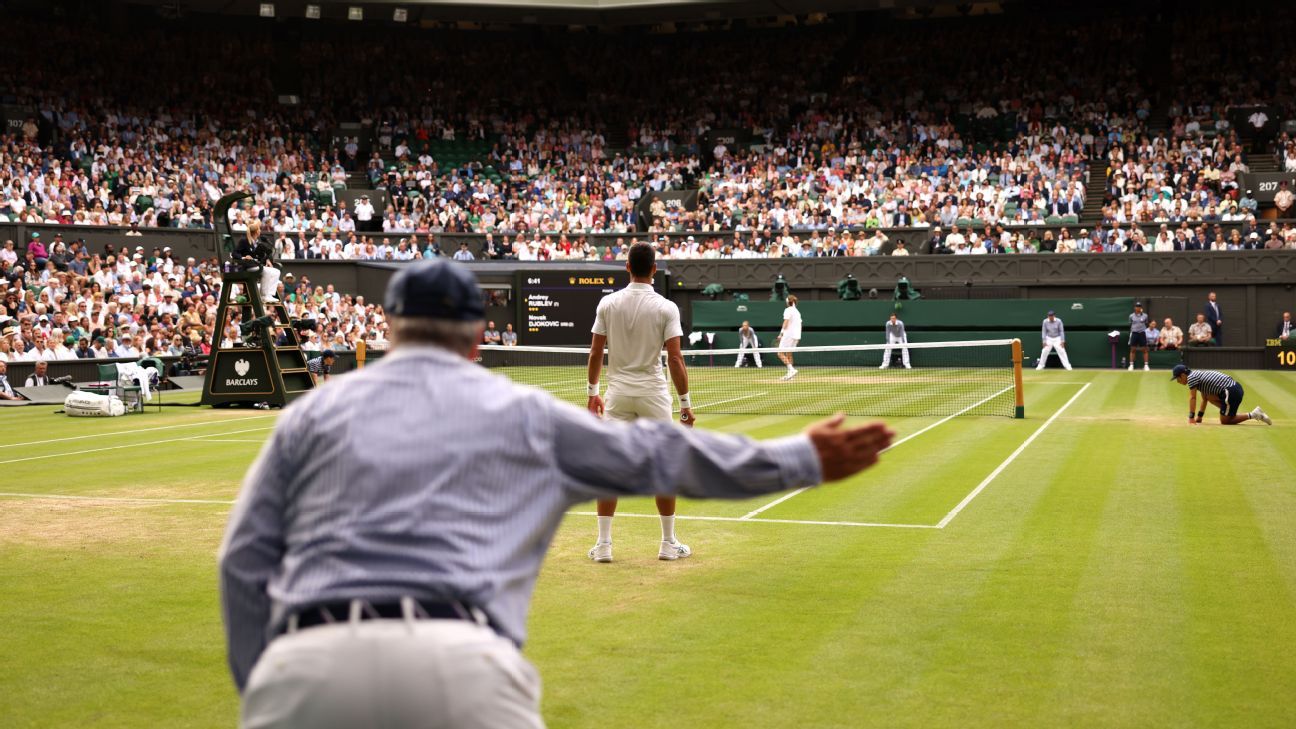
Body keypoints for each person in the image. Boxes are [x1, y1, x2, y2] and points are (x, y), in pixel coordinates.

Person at [219, 259, 895, 728]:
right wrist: (798, 458)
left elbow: (244, 562)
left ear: (391, 328)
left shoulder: (310, 414)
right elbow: (661, 453)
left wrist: (273, 680)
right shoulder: (524, 415)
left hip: (301, 671)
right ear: (481, 336)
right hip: (461, 666)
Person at [586, 243, 694, 563]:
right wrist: (685, 403)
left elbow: (595, 353)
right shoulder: (666, 307)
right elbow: (675, 359)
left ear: (627, 268)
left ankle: (604, 546)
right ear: (655, 269)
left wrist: (593, 393)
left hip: (617, 395)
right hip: (654, 396)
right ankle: (667, 544)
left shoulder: (608, 303)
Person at [1171, 364, 1271, 426]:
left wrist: (1191, 418)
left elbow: (1193, 398)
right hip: (1234, 390)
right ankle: (1230, 413)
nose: (1178, 381)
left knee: (1225, 421)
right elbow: (1204, 399)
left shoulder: (1191, 378)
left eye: (1177, 378)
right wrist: (1199, 417)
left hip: (1231, 391)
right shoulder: (1197, 375)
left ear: (1183, 375)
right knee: (1208, 396)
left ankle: (1254, 414)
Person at [777, 294, 802, 380]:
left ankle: (791, 370)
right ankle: (790, 375)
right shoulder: (797, 312)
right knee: (789, 354)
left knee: (779, 353)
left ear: (788, 302)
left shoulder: (788, 310)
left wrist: (781, 333)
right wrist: (798, 337)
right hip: (796, 336)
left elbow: (786, 322)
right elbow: (800, 324)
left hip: (788, 335)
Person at [1127, 301, 1150, 371]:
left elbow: (1146, 323)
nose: (1138, 308)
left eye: (1139, 306)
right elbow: (1130, 324)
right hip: (1134, 333)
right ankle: (1131, 365)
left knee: (1145, 350)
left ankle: (1146, 365)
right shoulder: (1131, 316)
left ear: (1141, 308)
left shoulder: (1145, 316)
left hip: (1142, 333)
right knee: (1132, 349)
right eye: (1137, 306)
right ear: (1135, 308)